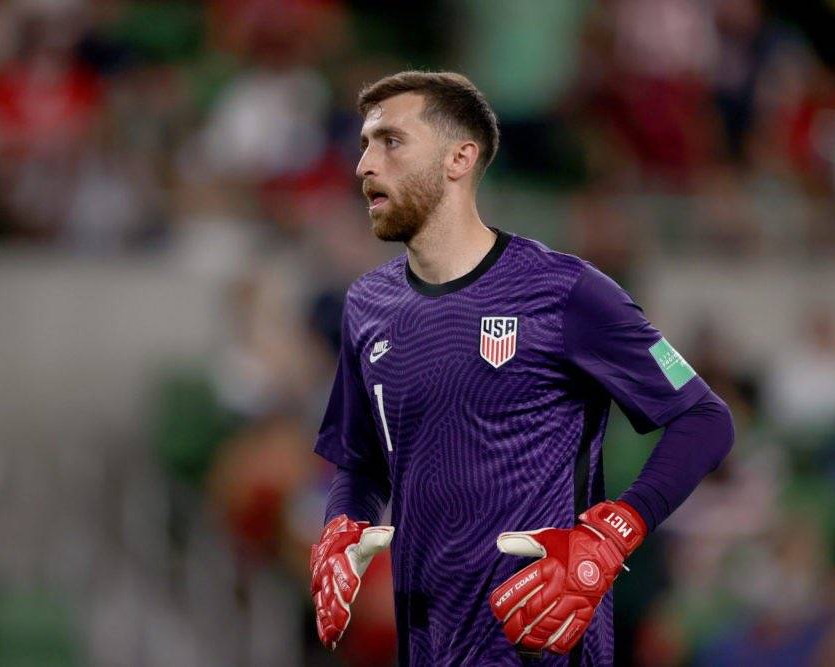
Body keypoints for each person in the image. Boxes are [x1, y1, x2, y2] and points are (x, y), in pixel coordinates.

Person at [309, 71, 735, 666]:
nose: (364, 166)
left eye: (391, 142)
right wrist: (340, 526)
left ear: (459, 158)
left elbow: (705, 420)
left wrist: (612, 535)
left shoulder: (567, 292)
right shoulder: (366, 306)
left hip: (544, 646)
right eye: (364, 145)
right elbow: (361, 463)